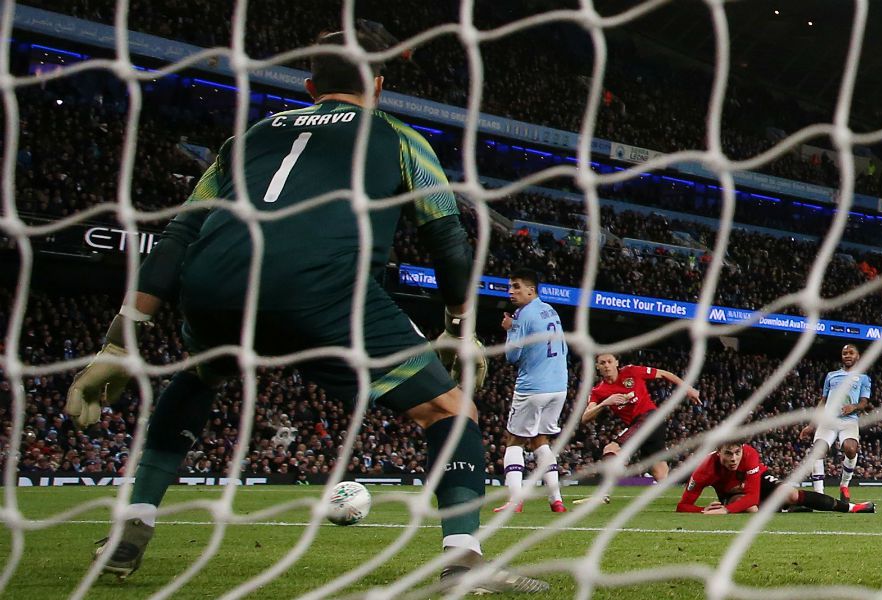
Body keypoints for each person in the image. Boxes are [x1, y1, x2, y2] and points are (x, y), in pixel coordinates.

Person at [65, 30, 545, 594]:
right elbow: (448, 240)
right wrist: (459, 329)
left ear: (311, 86)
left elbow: (176, 237)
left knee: (201, 373)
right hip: (324, 285)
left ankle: (135, 521)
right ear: (379, 85)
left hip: (215, 278)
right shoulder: (398, 137)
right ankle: (463, 561)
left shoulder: (246, 138)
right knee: (450, 411)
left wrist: (120, 344)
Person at [575, 353, 700, 504]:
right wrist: (605, 403)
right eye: (602, 363)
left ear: (616, 363)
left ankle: (603, 494)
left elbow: (664, 374)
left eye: (609, 361)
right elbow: (585, 417)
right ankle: (696, 482)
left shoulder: (631, 371)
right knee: (660, 473)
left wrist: (689, 389)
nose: (606, 365)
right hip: (641, 424)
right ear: (597, 366)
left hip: (651, 417)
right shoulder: (598, 391)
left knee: (611, 449)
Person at [493, 268, 569, 513]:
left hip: (533, 386)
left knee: (514, 440)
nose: (511, 292)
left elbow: (512, 356)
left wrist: (510, 329)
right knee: (540, 440)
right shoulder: (551, 311)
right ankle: (556, 500)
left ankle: (514, 501)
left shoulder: (523, 315)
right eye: (510, 287)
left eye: (516, 286)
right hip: (559, 386)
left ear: (531, 290)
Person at [676, 442, 875, 514]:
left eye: (737, 452)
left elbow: (752, 496)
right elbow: (683, 506)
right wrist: (704, 510)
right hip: (732, 492)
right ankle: (784, 508)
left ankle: (851, 508)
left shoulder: (750, 455)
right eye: (728, 453)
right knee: (750, 509)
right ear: (718, 452)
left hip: (758, 479)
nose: (734, 458)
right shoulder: (704, 470)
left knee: (788, 494)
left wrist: (726, 510)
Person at [800, 344, 870, 502]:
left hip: (849, 421)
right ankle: (819, 494)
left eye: (851, 353)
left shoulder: (863, 378)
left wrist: (854, 406)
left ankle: (844, 485)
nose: (847, 355)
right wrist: (812, 425)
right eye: (844, 353)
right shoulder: (831, 376)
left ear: (858, 356)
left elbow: (864, 402)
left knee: (851, 449)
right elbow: (823, 401)